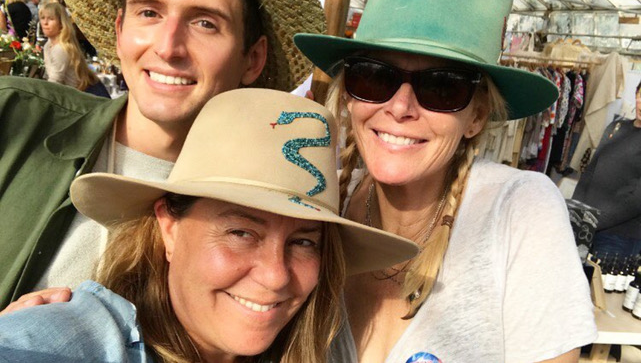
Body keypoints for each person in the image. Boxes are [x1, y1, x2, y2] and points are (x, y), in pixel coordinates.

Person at [294, 0, 597, 363]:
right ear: (349, 94)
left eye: (442, 87)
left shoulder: (518, 210)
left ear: (477, 116)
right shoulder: (322, 202)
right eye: (374, 76)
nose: (400, 107)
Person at [0, 0, 324, 310]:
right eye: (149, 13)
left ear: (252, 59)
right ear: (120, 30)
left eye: (205, 23)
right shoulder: (15, 118)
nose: (169, 48)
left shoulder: (271, 201)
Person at [0, 88, 418, 362]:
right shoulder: (84, 337)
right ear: (169, 226)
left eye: (304, 242)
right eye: (242, 233)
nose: (275, 276)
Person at [573, 81, 641, 256]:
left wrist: (595, 220)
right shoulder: (617, 126)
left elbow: (636, 200)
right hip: (586, 226)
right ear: (636, 95)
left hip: (620, 235)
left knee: (602, 275)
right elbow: (590, 172)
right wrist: (576, 212)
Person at [39, 1, 109, 96]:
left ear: (61, 23)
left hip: (88, 95)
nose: (45, 23)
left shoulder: (60, 48)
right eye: (43, 18)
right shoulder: (48, 45)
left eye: (51, 19)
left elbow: (55, 83)